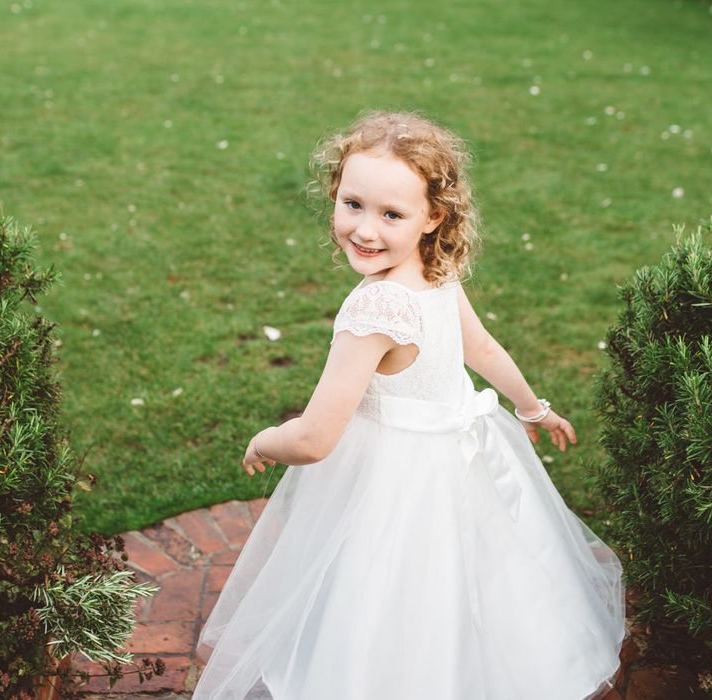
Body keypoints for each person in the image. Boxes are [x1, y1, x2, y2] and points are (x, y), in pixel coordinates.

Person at [193, 110, 628, 700]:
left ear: (433, 217)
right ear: (334, 194)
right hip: (457, 466)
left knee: (383, 592)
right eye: (353, 204)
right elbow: (484, 347)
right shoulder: (437, 274)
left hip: (393, 482)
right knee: (466, 580)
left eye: (391, 214)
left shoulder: (373, 312)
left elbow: (316, 438)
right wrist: (531, 408)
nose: (365, 230)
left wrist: (266, 439)